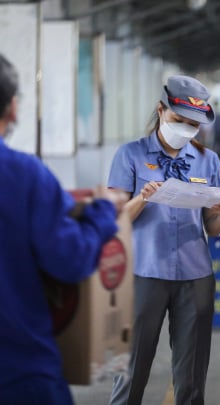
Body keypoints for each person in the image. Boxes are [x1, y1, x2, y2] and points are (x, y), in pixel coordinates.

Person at [0, 53, 124, 404]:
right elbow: (70, 260)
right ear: (13, 108)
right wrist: (102, 213)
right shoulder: (24, 176)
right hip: (19, 374)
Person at [107, 75, 220, 405]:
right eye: (178, 120)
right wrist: (141, 199)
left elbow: (212, 227)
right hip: (143, 275)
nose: (184, 129)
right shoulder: (130, 155)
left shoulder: (208, 160)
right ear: (161, 110)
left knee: (192, 375)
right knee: (131, 369)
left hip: (195, 277)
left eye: (192, 124)